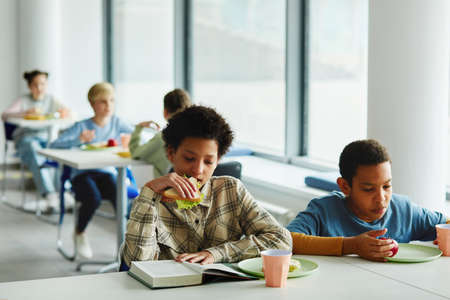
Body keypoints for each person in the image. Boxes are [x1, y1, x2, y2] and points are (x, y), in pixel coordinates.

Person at [121, 105, 291, 269]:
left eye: (209, 162)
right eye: (189, 158)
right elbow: (136, 264)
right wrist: (148, 192)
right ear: (171, 153)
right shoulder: (151, 200)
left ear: (217, 161)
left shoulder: (231, 190)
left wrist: (216, 254)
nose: (198, 170)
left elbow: (280, 240)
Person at [287, 139, 450, 262]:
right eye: (368, 189)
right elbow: (287, 240)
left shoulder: (404, 210)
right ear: (345, 186)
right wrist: (351, 246)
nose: (381, 199)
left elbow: (446, 223)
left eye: (386, 186)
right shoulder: (324, 210)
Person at [50, 82, 133, 259]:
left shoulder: (117, 123)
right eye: (103, 101)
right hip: (82, 174)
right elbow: (54, 144)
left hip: (107, 173)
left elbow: (137, 136)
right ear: (92, 104)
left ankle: (129, 244)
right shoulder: (82, 126)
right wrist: (78, 140)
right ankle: (80, 232)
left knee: (121, 198)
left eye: (111, 100)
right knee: (92, 198)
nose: (108, 105)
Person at [2, 70, 71, 210]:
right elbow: (4, 115)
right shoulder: (23, 100)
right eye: (35, 85)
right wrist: (24, 113)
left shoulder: (50, 99)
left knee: (59, 151)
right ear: (29, 86)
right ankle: (50, 194)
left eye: (42, 84)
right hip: (25, 139)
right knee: (35, 150)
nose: (39, 88)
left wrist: (62, 112)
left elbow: (68, 111)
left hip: (46, 138)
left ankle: (63, 192)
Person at [129, 88, 191, 179]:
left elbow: (135, 153)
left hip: (167, 189)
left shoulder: (162, 138)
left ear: (165, 112)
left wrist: (139, 128)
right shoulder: (197, 136)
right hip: (195, 188)